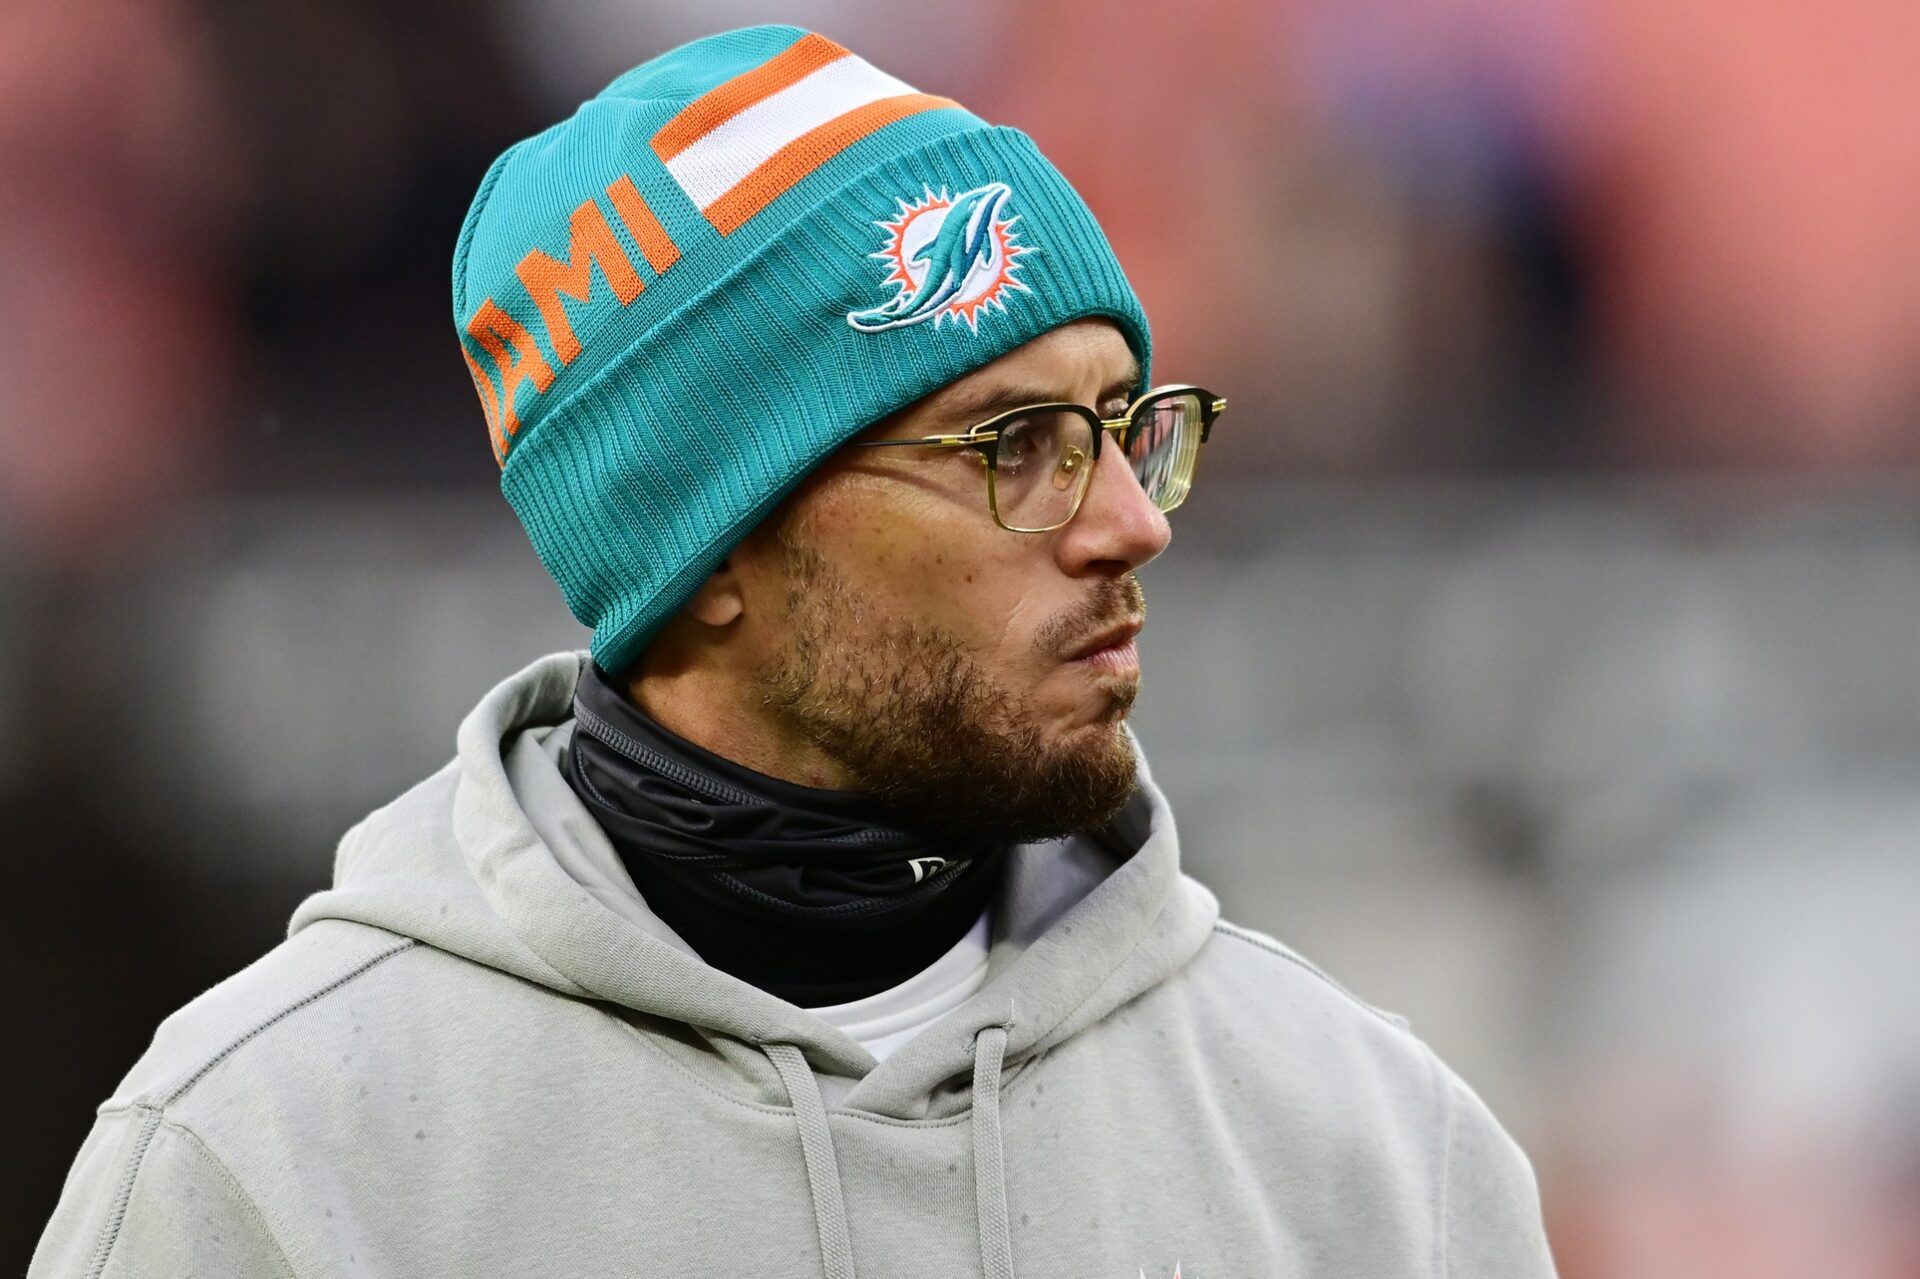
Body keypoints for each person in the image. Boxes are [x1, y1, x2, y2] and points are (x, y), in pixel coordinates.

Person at [30, 25, 1556, 1278]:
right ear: (712, 552)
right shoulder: (275, 1161)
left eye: (1128, 430)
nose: (1127, 525)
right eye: (1014, 443)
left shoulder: (1370, 1152)